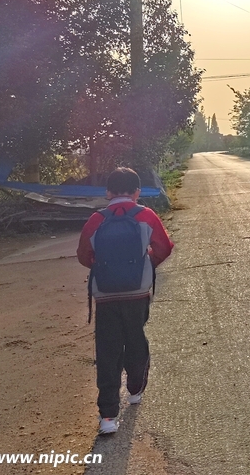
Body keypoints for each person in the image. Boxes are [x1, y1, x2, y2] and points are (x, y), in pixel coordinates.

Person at [77, 167, 173, 434]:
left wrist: (104, 267)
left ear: (108, 192)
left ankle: (107, 417)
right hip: (137, 292)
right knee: (135, 336)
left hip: (105, 294)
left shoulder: (96, 219)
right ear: (137, 192)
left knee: (107, 349)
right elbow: (164, 247)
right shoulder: (146, 215)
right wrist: (145, 264)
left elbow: (84, 255)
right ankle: (135, 390)